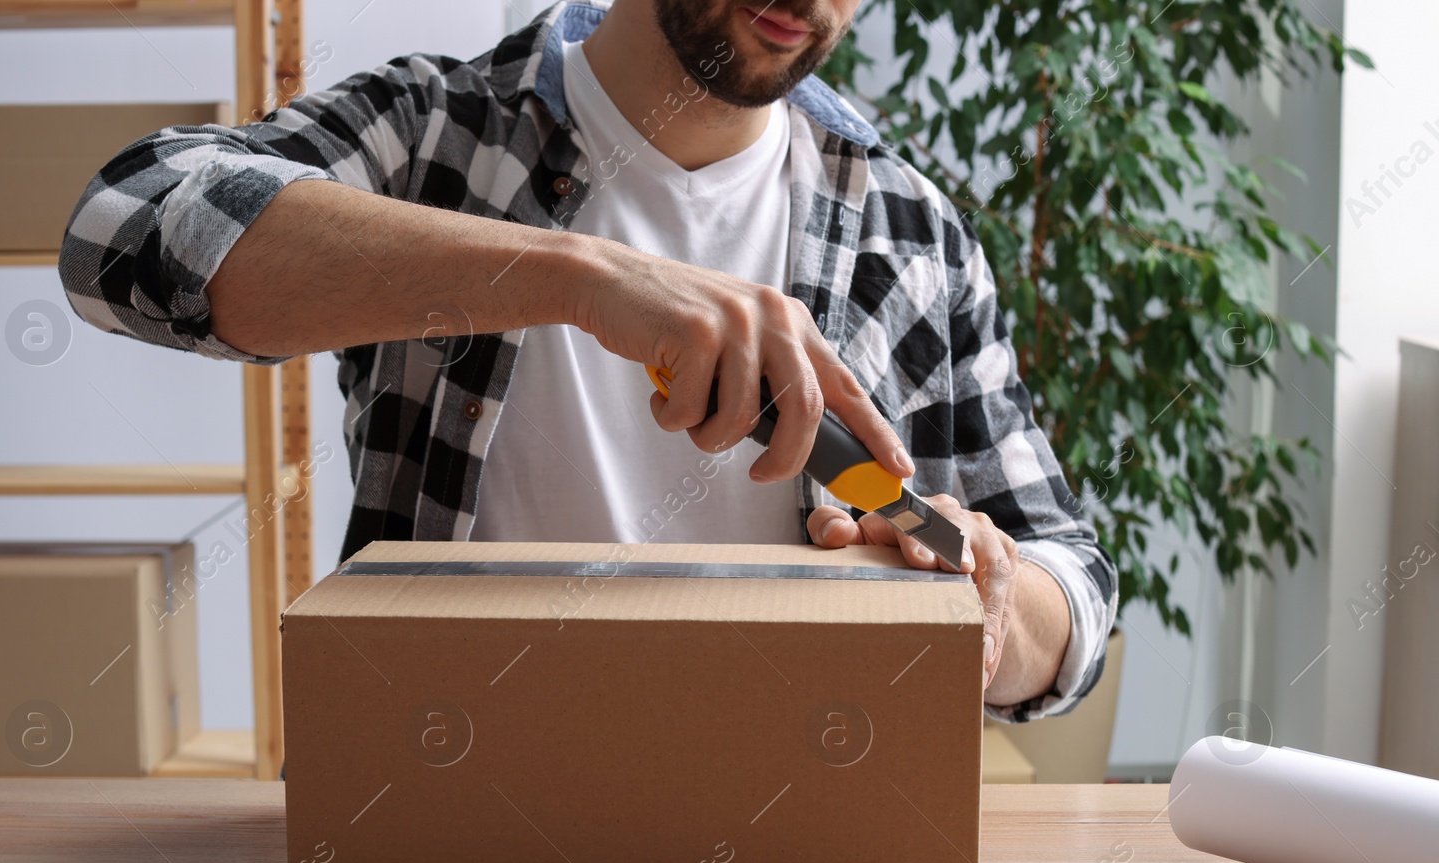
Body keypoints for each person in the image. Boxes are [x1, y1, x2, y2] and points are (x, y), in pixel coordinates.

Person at [59, 0, 1117, 721]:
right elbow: (121, 230)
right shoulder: (438, 132)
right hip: (438, 808)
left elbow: (1071, 588)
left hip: (797, 824)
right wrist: (578, 275)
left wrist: (986, 585)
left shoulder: (909, 230)